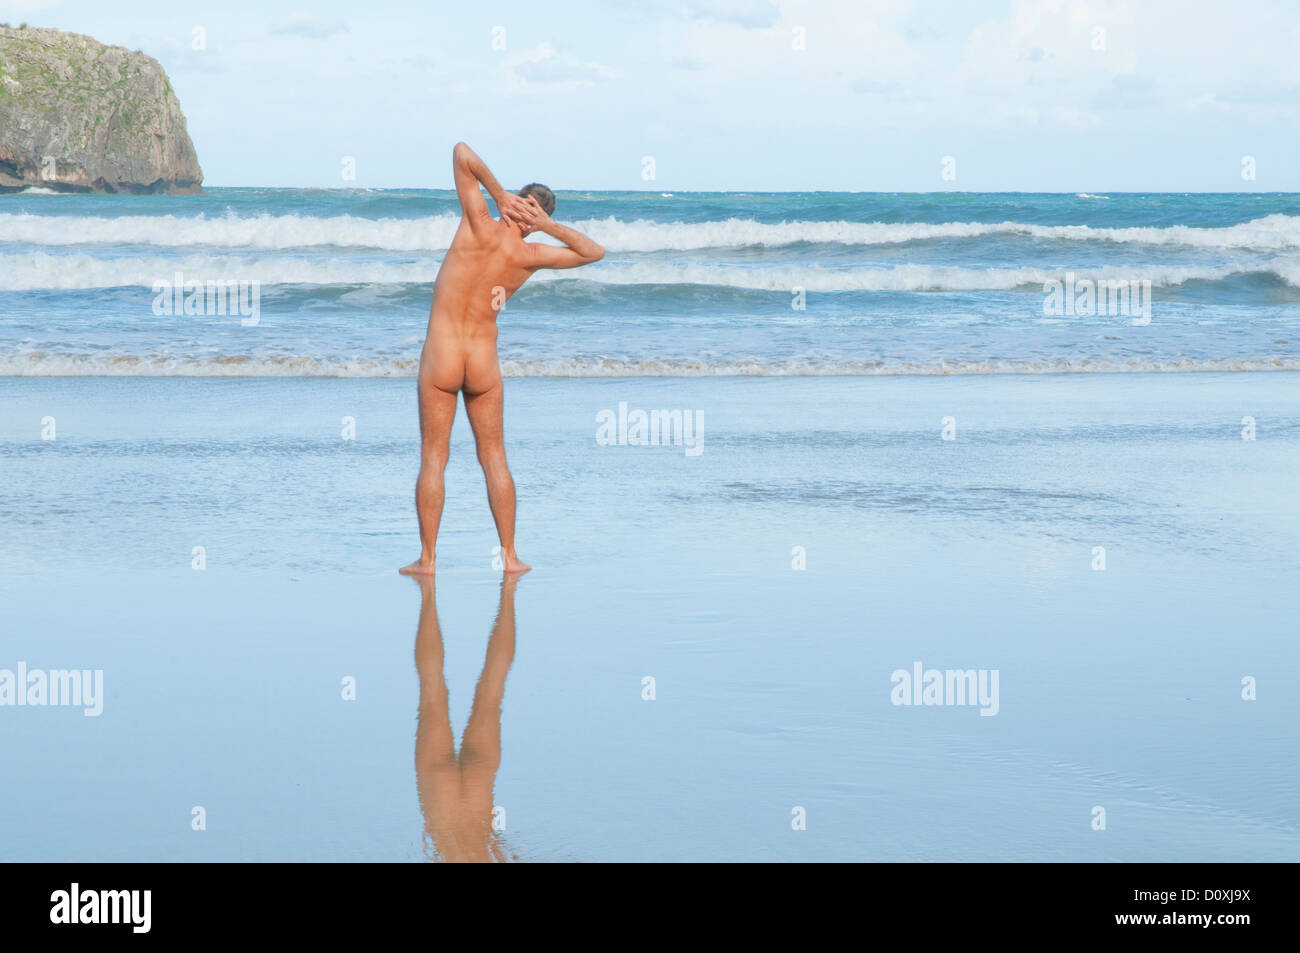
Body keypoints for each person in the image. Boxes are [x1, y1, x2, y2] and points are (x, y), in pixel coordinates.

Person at [400, 142, 604, 576]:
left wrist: (496, 193)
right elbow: (593, 253)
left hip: (441, 358)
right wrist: (549, 226)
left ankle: (428, 560)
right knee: (494, 457)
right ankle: (510, 558)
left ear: (515, 202)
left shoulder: (476, 223)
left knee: (434, 457)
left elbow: (459, 152)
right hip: (484, 365)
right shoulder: (529, 255)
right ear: (535, 221)